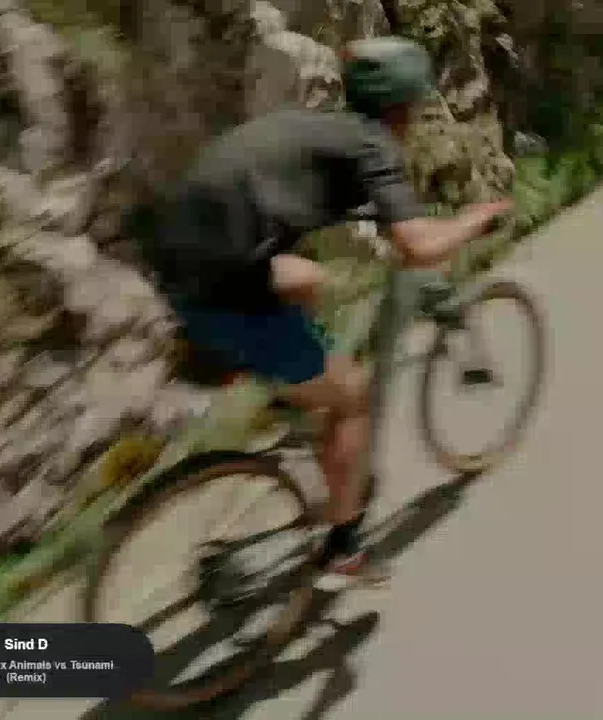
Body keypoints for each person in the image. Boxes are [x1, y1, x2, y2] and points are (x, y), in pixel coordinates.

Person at [137, 36, 512, 585]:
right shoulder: (374, 148)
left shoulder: (321, 129)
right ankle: (343, 548)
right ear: (404, 109)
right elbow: (419, 247)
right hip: (222, 287)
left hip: (176, 259)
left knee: (309, 278)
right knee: (355, 395)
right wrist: (479, 217)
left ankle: (295, 399)